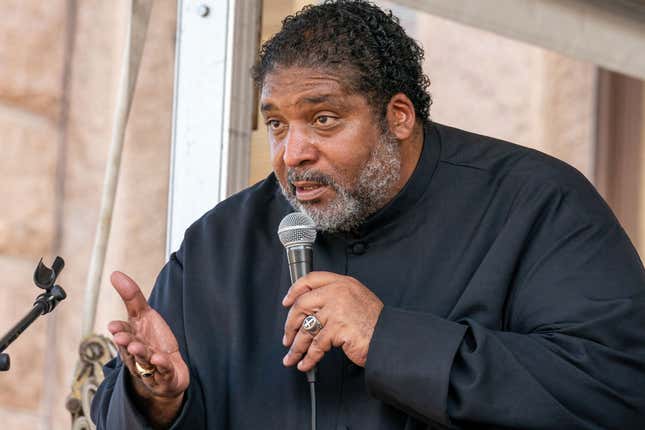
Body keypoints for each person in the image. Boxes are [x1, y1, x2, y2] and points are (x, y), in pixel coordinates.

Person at [91, 1, 645, 429]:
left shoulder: (536, 203)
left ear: (398, 116)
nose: (292, 153)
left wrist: (388, 338)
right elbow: (122, 415)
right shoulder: (219, 243)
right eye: (278, 125)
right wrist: (155, 398)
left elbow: (617, 390)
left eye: (324, 119)